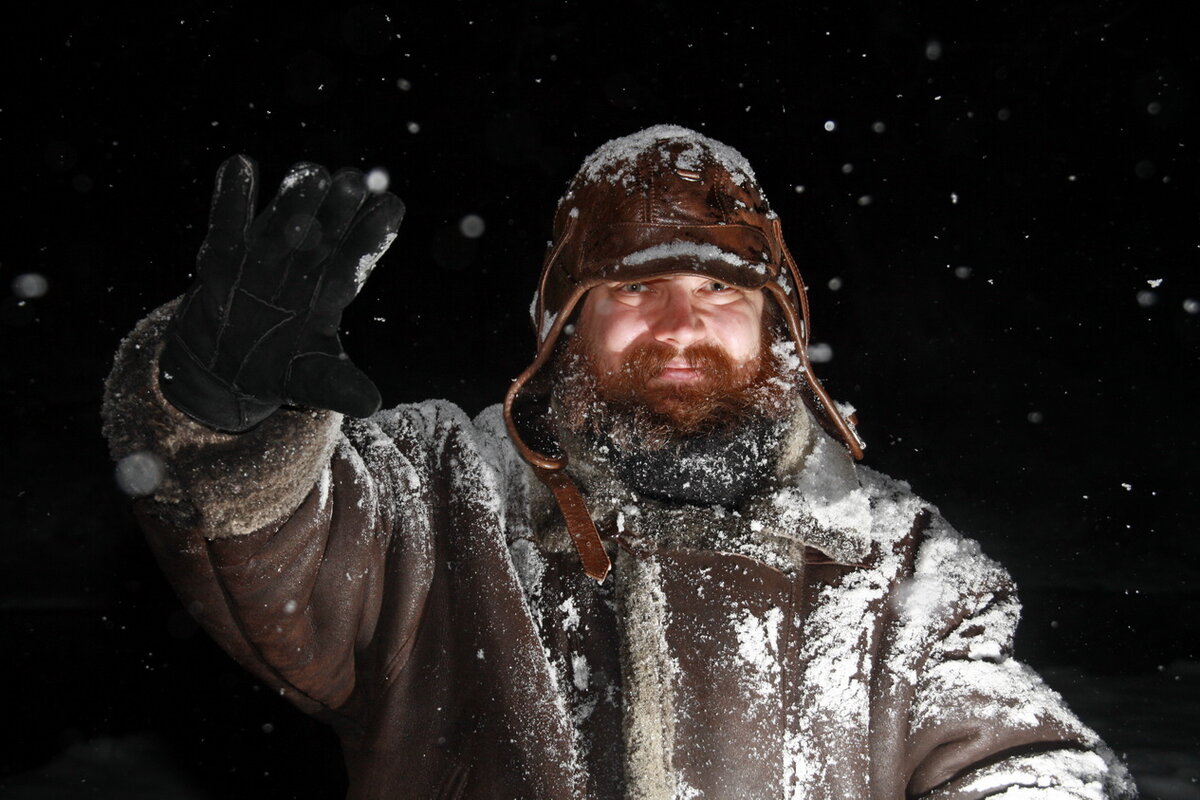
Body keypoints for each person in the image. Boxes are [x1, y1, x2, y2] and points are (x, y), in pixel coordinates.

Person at [102, 125, 1134, 799]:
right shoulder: (436, 495)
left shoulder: (900, 561)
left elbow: (1018, 759)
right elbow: (273, 548)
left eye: (723, 291)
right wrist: (224, 414)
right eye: (633, 289)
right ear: (565, 326)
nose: (682, 323)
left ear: (778, 330)